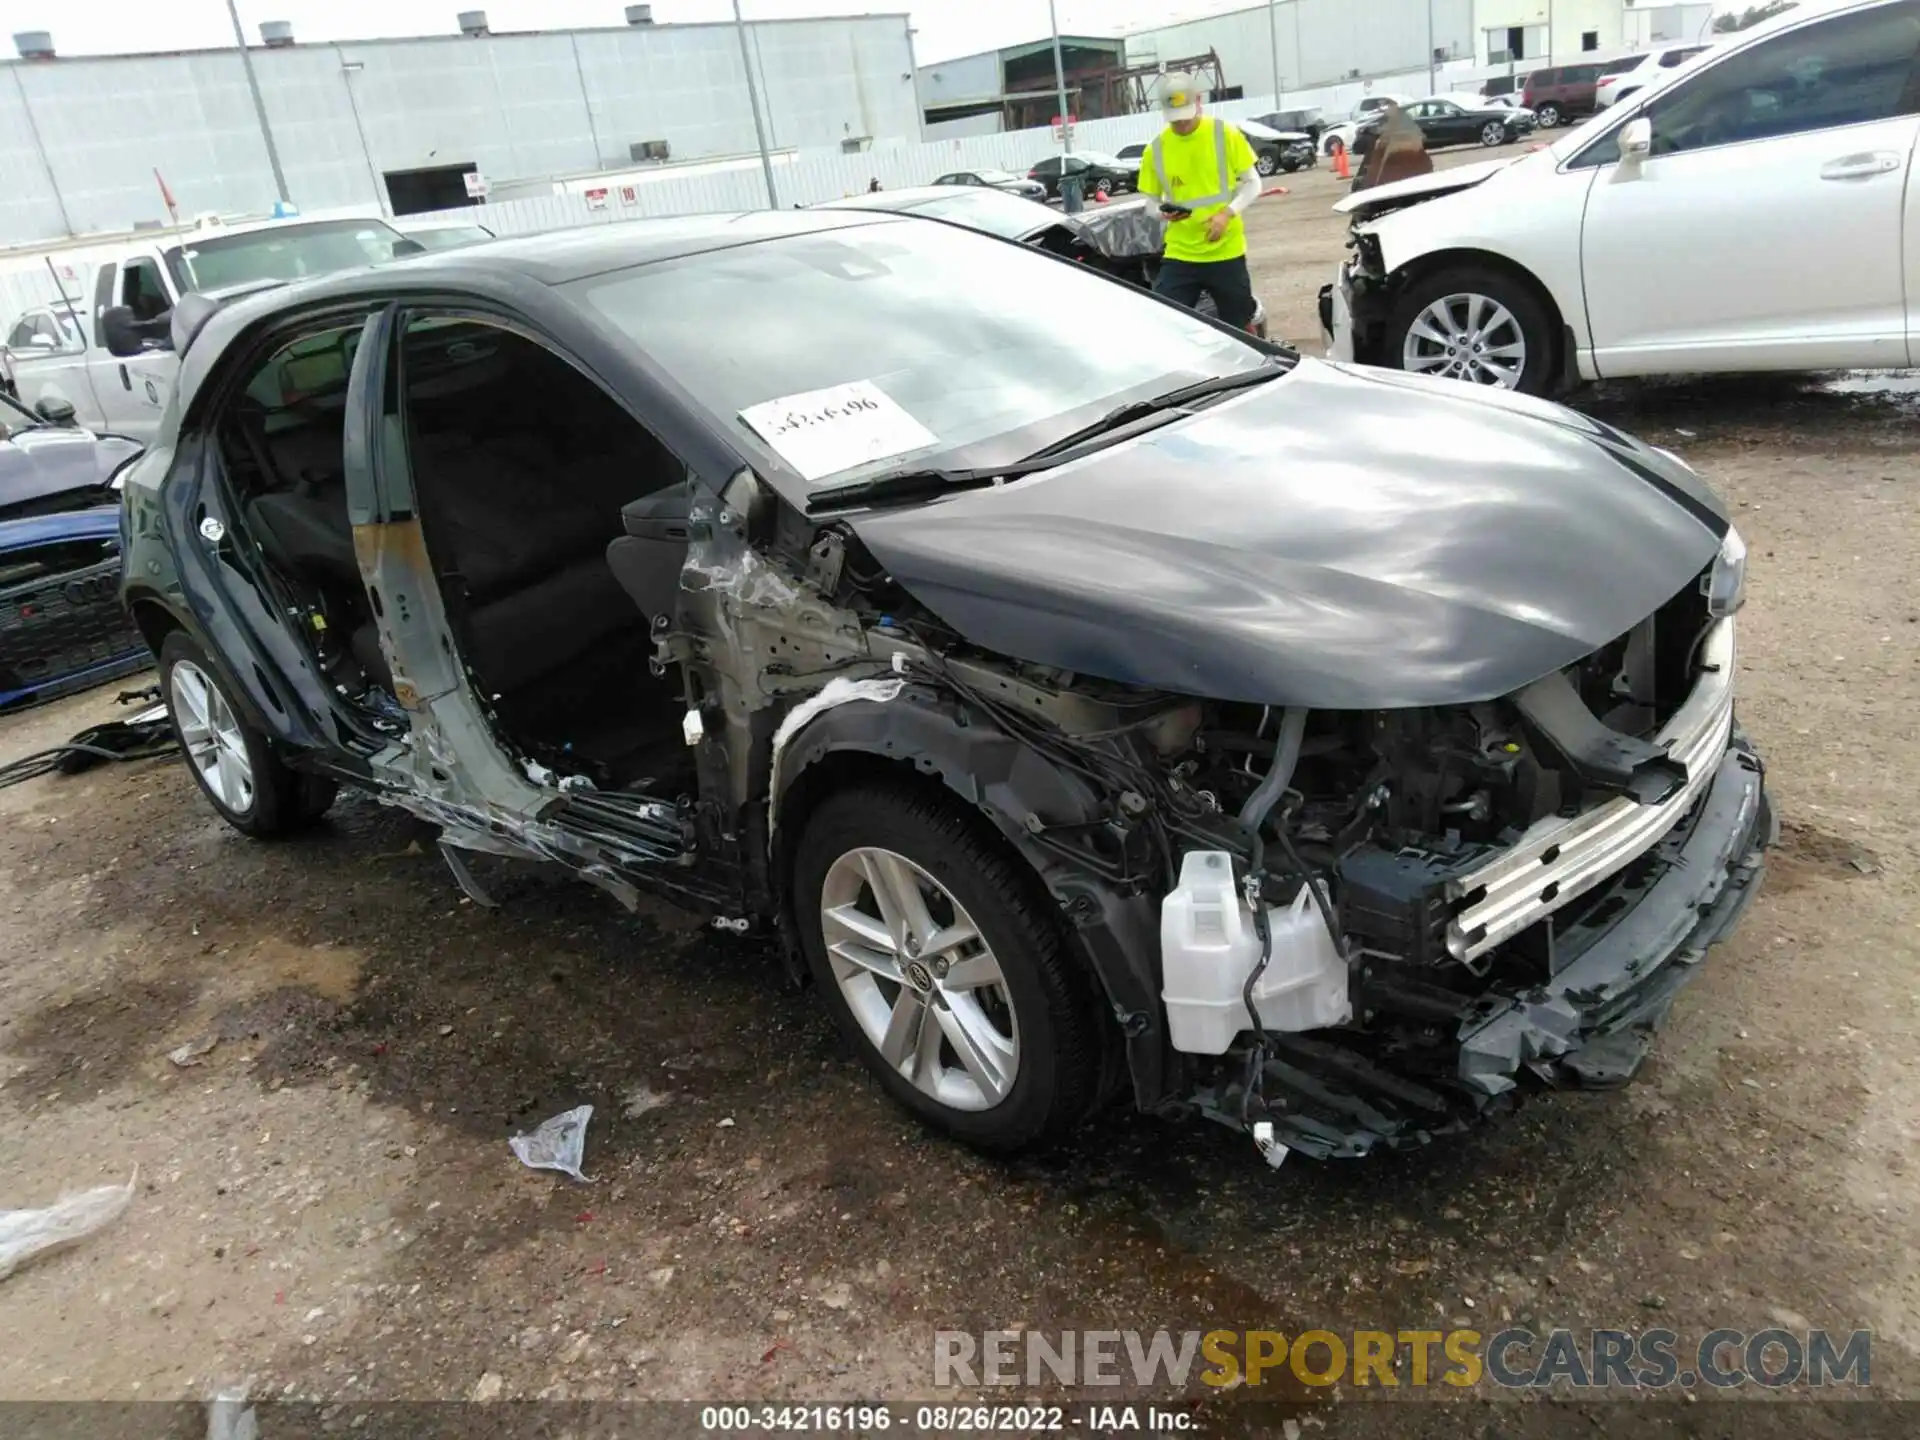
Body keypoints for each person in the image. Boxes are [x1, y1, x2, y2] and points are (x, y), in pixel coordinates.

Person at [1134, 73, 1265, 332]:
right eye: (1175, 118)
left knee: (1238, 325)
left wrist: (1227, 213)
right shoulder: (1156, 149)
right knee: (1166, 321)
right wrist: (1162, 213)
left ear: (1198, 101)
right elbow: (1149, 204)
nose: (1181, 124)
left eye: (1186, 115)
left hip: (1226, 252)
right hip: (1181, 253)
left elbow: (1253, 184)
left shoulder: (1224, 133)